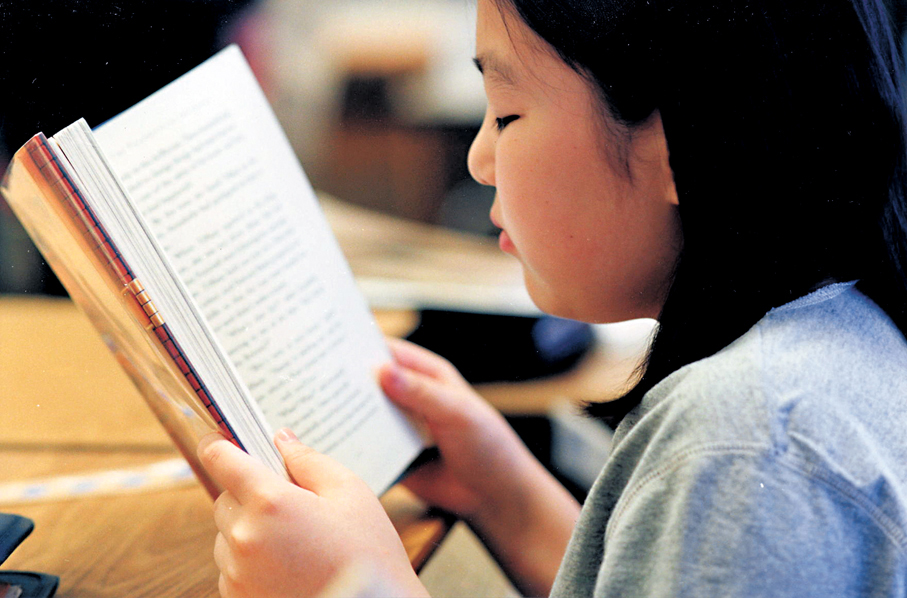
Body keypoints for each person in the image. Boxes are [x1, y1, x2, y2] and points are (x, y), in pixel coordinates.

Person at [196, 0, 907, 596]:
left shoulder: (744, 443)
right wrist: (504, 496)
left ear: (683, 142)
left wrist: (350, 587)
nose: (479, 159)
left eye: (506, 114)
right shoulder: (832, 344)